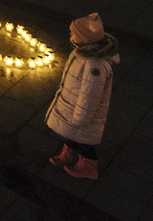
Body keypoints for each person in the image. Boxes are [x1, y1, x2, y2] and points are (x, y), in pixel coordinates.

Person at [45, 13, 120, 180]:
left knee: (85, 140)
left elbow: (90, 95)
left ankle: (88, 166)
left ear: (85, 39)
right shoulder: (82, 52)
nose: (71, 36)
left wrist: (81, 117)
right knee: (71, 134)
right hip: (72, 105)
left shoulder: (95, 65)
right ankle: (69, 154)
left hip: (84, 113)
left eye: (75, 34)